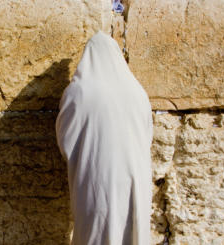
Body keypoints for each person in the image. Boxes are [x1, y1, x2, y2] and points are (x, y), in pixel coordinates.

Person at [55, 30, 153, 245]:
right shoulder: (138, 93)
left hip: (96, 178)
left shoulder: (78, 92)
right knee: (133, 231)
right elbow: (147, 137)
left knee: (97, 232)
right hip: (136, 176)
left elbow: (65, 139)